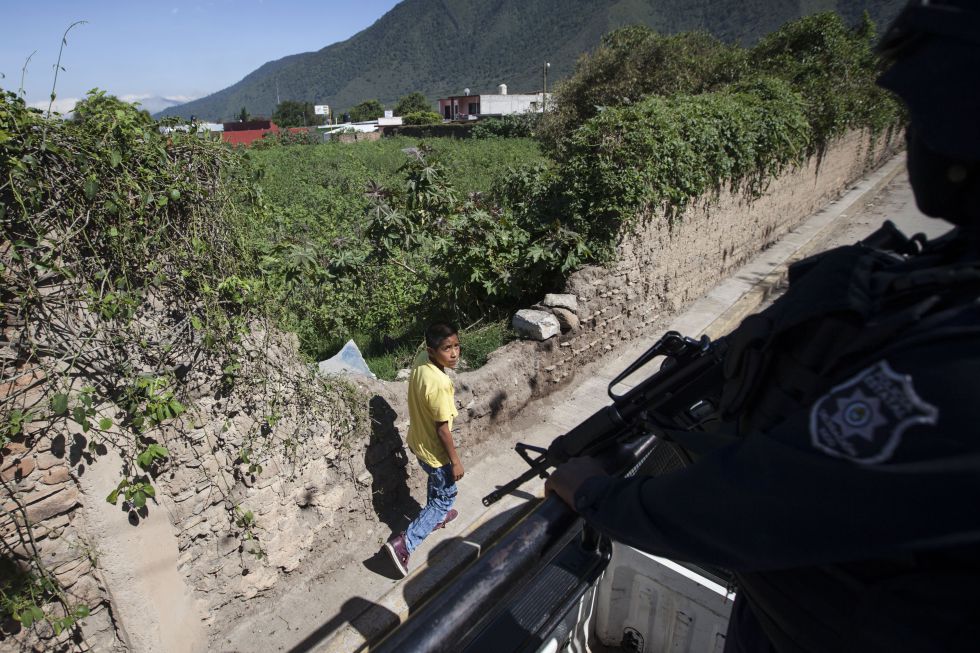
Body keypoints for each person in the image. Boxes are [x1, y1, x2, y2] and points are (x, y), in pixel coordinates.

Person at [547, 2, 980, 650]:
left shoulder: (959, 361)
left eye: (921, 118)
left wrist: (600, 495)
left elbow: (768, 497)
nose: (910, 137)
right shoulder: (953, 273)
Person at [385, 322, 464, 577]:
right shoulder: (440, 384)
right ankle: (404, 544)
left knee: (436, 485)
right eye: (446, 349)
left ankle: (435, 518)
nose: (453, 354)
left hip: (418, 442)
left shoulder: (421, 361)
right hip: (436, 452)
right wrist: (455, 461)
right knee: (445, 496)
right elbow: (443, 429)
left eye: (456, 346)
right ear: (432, 351)